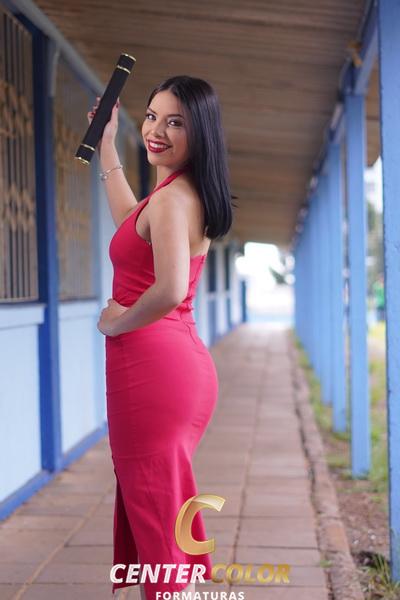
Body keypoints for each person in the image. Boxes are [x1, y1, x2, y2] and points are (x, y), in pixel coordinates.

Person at [88, 75, 234, 599]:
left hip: (154, 370)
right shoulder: (173, 195)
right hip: (170, 366)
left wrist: (116, 322)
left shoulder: (173, 201)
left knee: (156, 515)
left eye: (176, 122)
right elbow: (132, 224)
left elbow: (170, 289)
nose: (157, 130)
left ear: (201, 132)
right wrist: (108, 146)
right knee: (161, 512)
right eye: (152, 116)